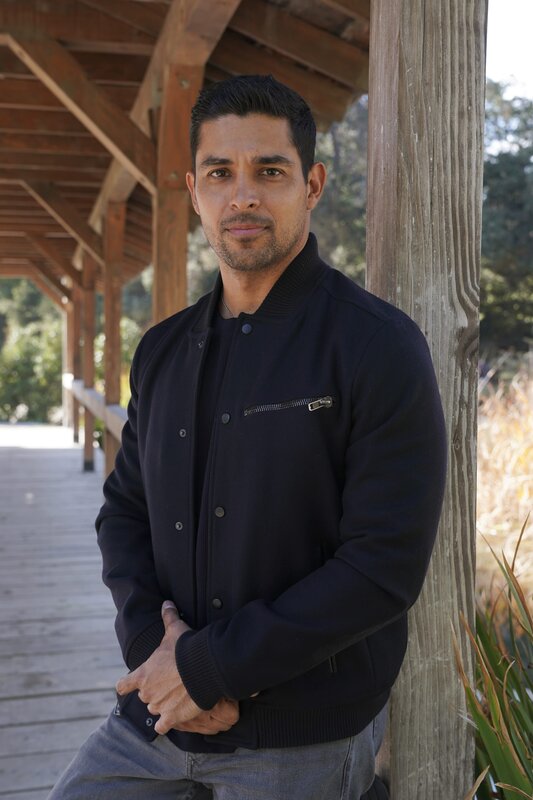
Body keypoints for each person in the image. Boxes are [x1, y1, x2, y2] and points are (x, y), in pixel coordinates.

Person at [48, 74, 447, 800]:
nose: (243, 197)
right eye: (219, 173)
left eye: (269, 171)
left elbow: (382, 566)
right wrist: (159, 657)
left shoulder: (376, 346)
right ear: (194, 192)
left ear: (312, 185)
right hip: (157, 719)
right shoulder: (162, 350)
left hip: (301, 735)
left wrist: (211, 671)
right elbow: (125, 514)